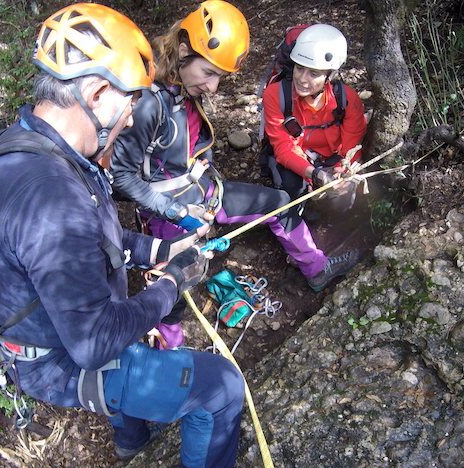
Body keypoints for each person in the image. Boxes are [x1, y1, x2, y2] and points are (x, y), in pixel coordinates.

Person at [0, 3, 270, 468]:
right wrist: (171, 286)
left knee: (131, 338)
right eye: (129, 101)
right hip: (59, 360)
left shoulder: (35, 147)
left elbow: (98, 239)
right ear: (94, 94)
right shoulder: (50, 198)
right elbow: (94, 343)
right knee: (222, 386)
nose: (133, 115)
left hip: (53, 329)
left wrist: (160, 251)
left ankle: (132, 439)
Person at [109, 0, 361, 350]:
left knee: (280, 203)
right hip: (170, 213)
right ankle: (169, 352)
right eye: (209, 73)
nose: (213, 87)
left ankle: (317, 270)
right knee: (174, 288)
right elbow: (120, 175)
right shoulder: (152, 103)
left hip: (206, 194)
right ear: (183, 51)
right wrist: (173, 212)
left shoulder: (183, 90)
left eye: (220, 77)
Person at [261, 23, 367, 218]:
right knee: (291, 191)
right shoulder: (276, 95)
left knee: (343, 201)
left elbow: (351, 146)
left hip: (330, 161)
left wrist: (341, 173)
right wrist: (313, 174)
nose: (302, 79)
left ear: (329, 76)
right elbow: (284, 147)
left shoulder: (347, 99)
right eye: (299, 69)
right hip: (298, 160)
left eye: (314, 73)